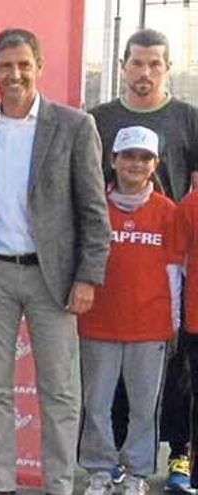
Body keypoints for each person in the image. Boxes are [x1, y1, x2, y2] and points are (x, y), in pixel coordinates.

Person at [0, 28, 111, 495]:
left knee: (61, 392)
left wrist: (89, 276)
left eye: (23, 65)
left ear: (39, 67)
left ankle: (58, 485)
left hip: (54, 277)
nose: (14, 74)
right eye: (5, 65)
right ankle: (1, 485)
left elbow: (94, 210)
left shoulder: (73, 125)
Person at [89, 28, 198, 494]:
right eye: (137, 63)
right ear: (123, 65)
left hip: (169, 265)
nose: (145, 72)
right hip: (112, 267)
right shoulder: (98, 119)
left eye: (155, 64)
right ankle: (104, 466)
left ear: (167, 67)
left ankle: (176, 457)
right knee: (105, 384)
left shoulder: (188, 118)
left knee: (170, 377)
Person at [77, 126, 179, 495]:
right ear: (113, 160)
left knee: (142, 408)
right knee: (97, 404)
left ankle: (137, 473)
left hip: (150, 328)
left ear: (156, 164)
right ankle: (100, 470)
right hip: (98, 324)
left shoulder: (168, 212)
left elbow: (176, 272)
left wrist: (175, 324)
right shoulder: (94, 207)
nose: (135, 164)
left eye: (144, 158)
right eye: (128, 156)